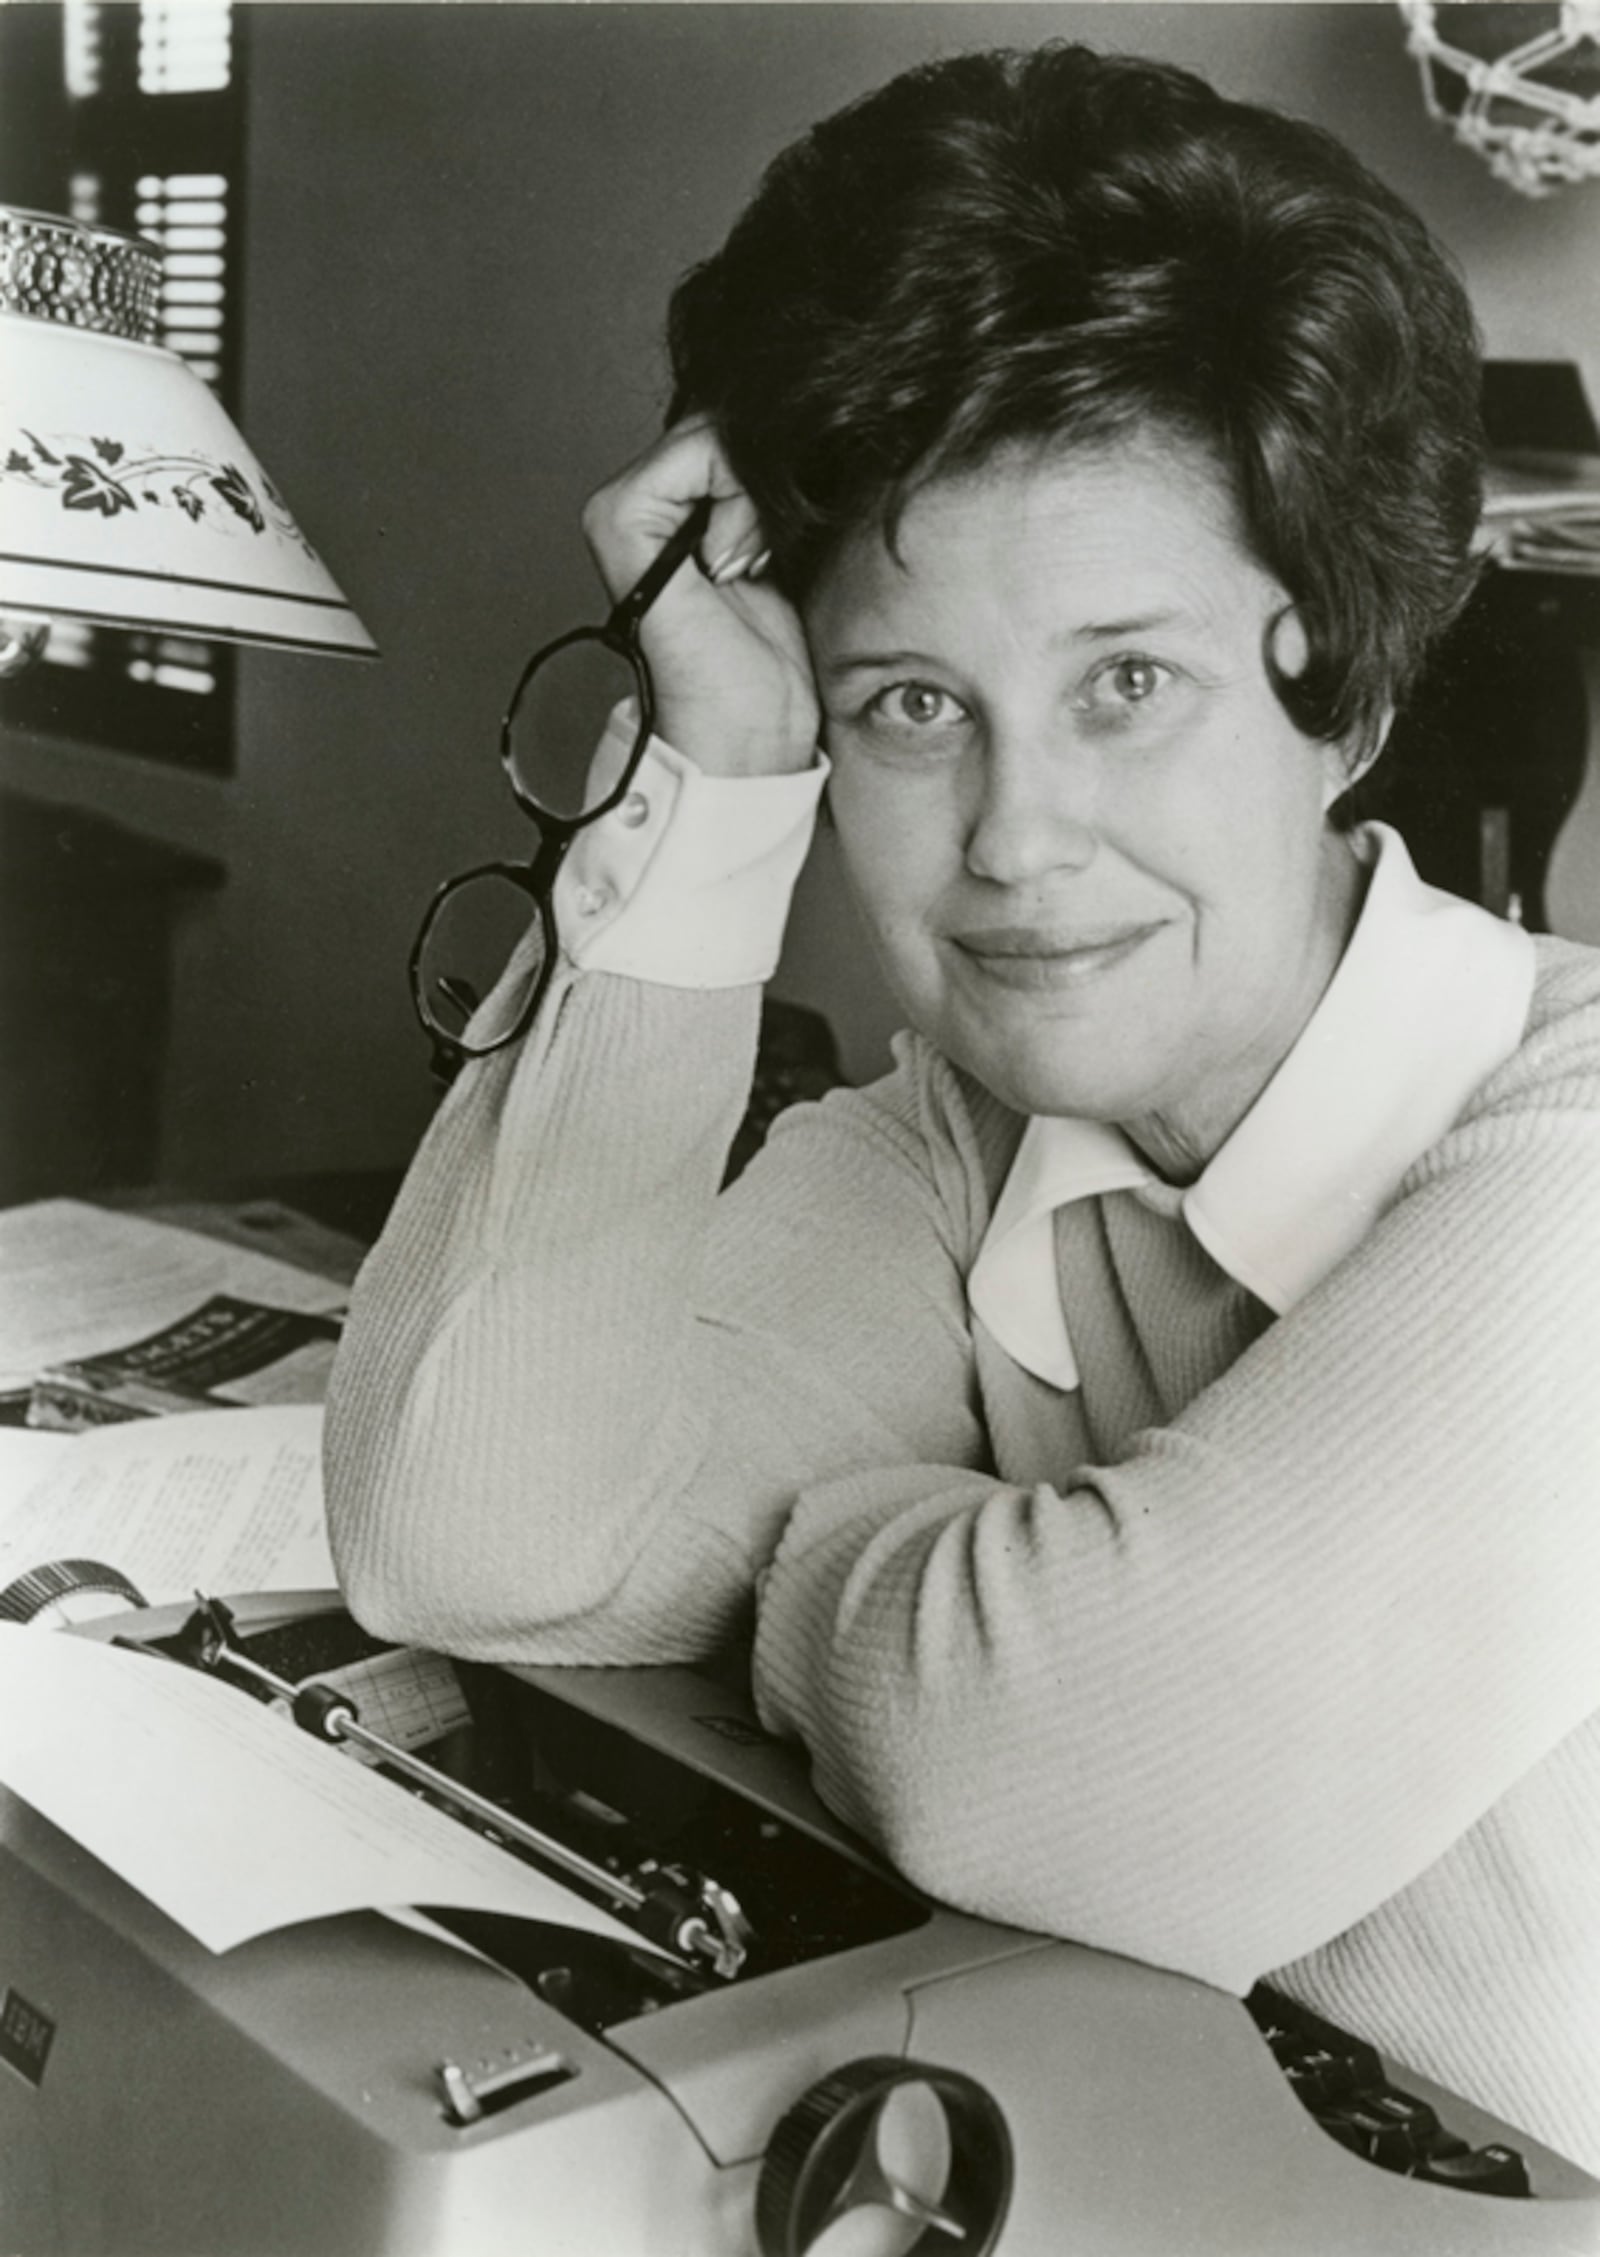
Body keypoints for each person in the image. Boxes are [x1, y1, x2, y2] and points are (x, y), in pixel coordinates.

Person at [325, 43, 1600, 2172]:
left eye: (1128, 684)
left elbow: (1107, 1784)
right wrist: (715, 781)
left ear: (1347, 696)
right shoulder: (953, 1137)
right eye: (907, 705)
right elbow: (466, 1542)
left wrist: (825, 1561)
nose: (1011, 839)